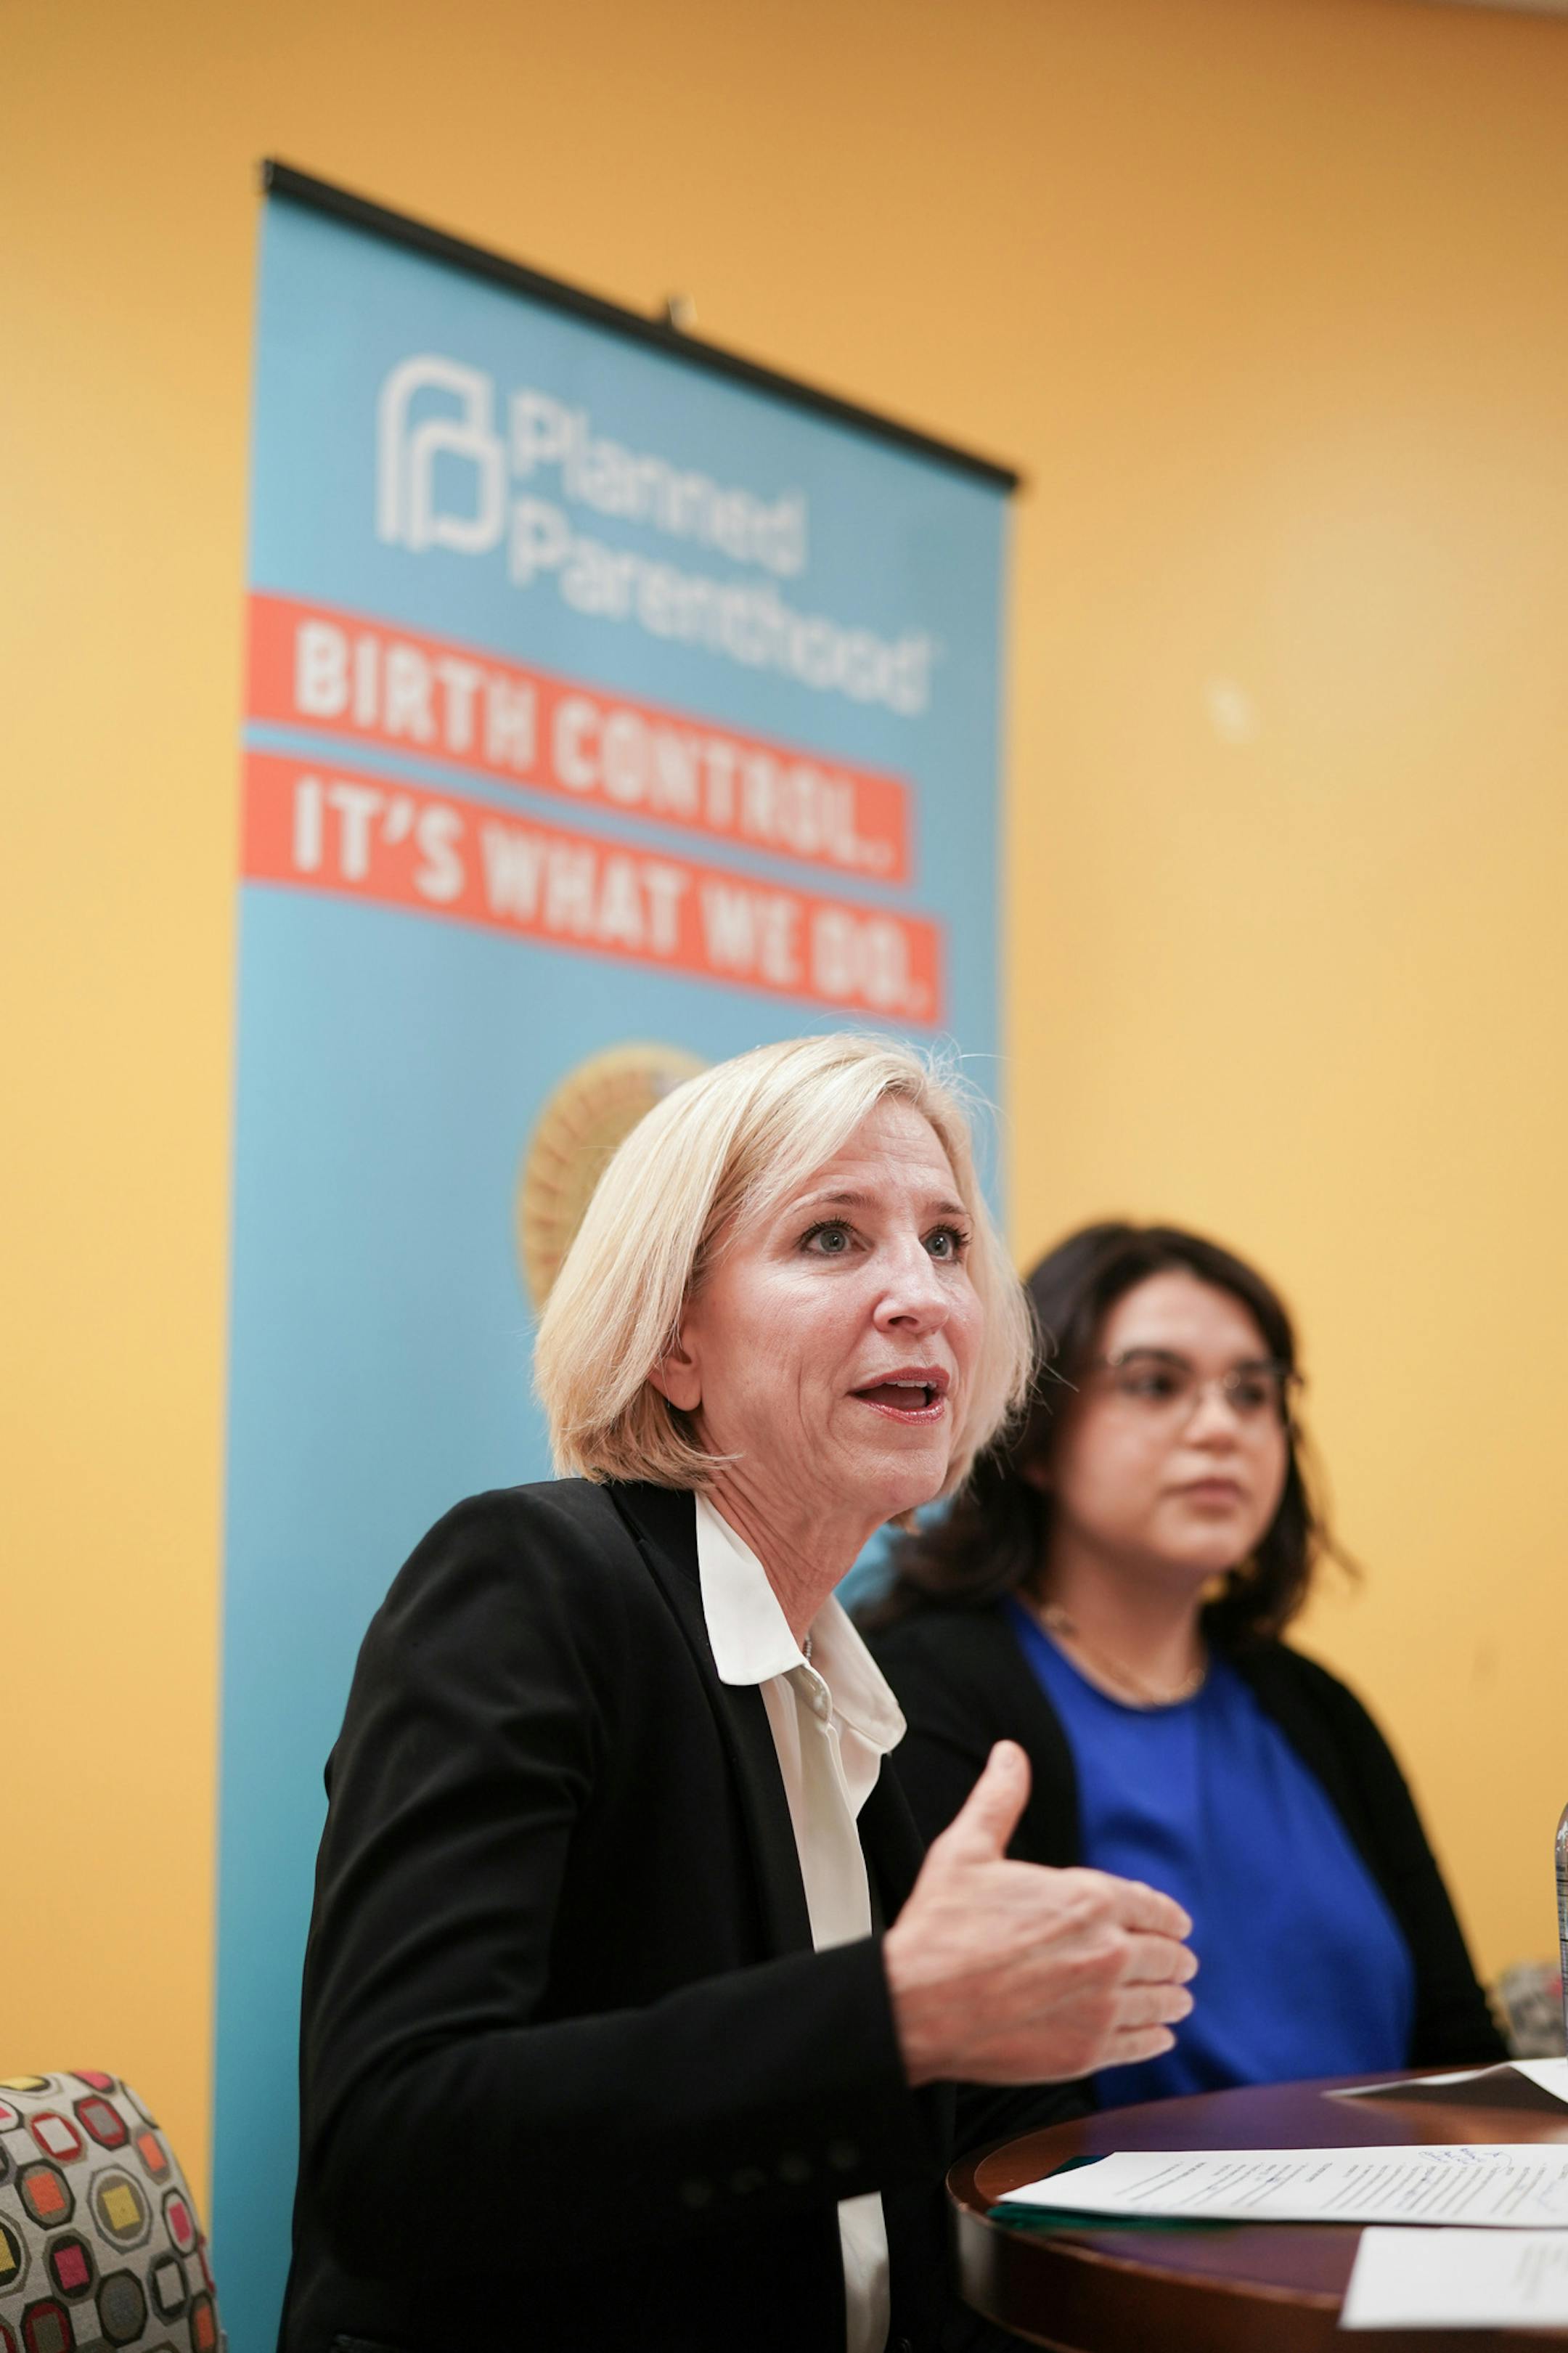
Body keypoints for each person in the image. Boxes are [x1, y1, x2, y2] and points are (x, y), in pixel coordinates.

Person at [277, 1044, 1196, 2353]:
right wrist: (898, 2015)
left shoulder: (871, 1707)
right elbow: (396, 2148)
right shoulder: (531, 1588)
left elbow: (940, 2219)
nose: (921, 1295)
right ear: (674, 1346)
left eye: (946, 1241)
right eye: (833, 1236)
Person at [867, 1221, 1504, 2114]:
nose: (1220, 1428)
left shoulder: (1315, 1707)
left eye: (1253, 1394)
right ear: (1038, 1430)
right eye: (1157, 1384)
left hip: (1402, 2237)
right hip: (1109, 2250)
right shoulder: (926, 1692)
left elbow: (1459, 2046)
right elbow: (956, 2096)